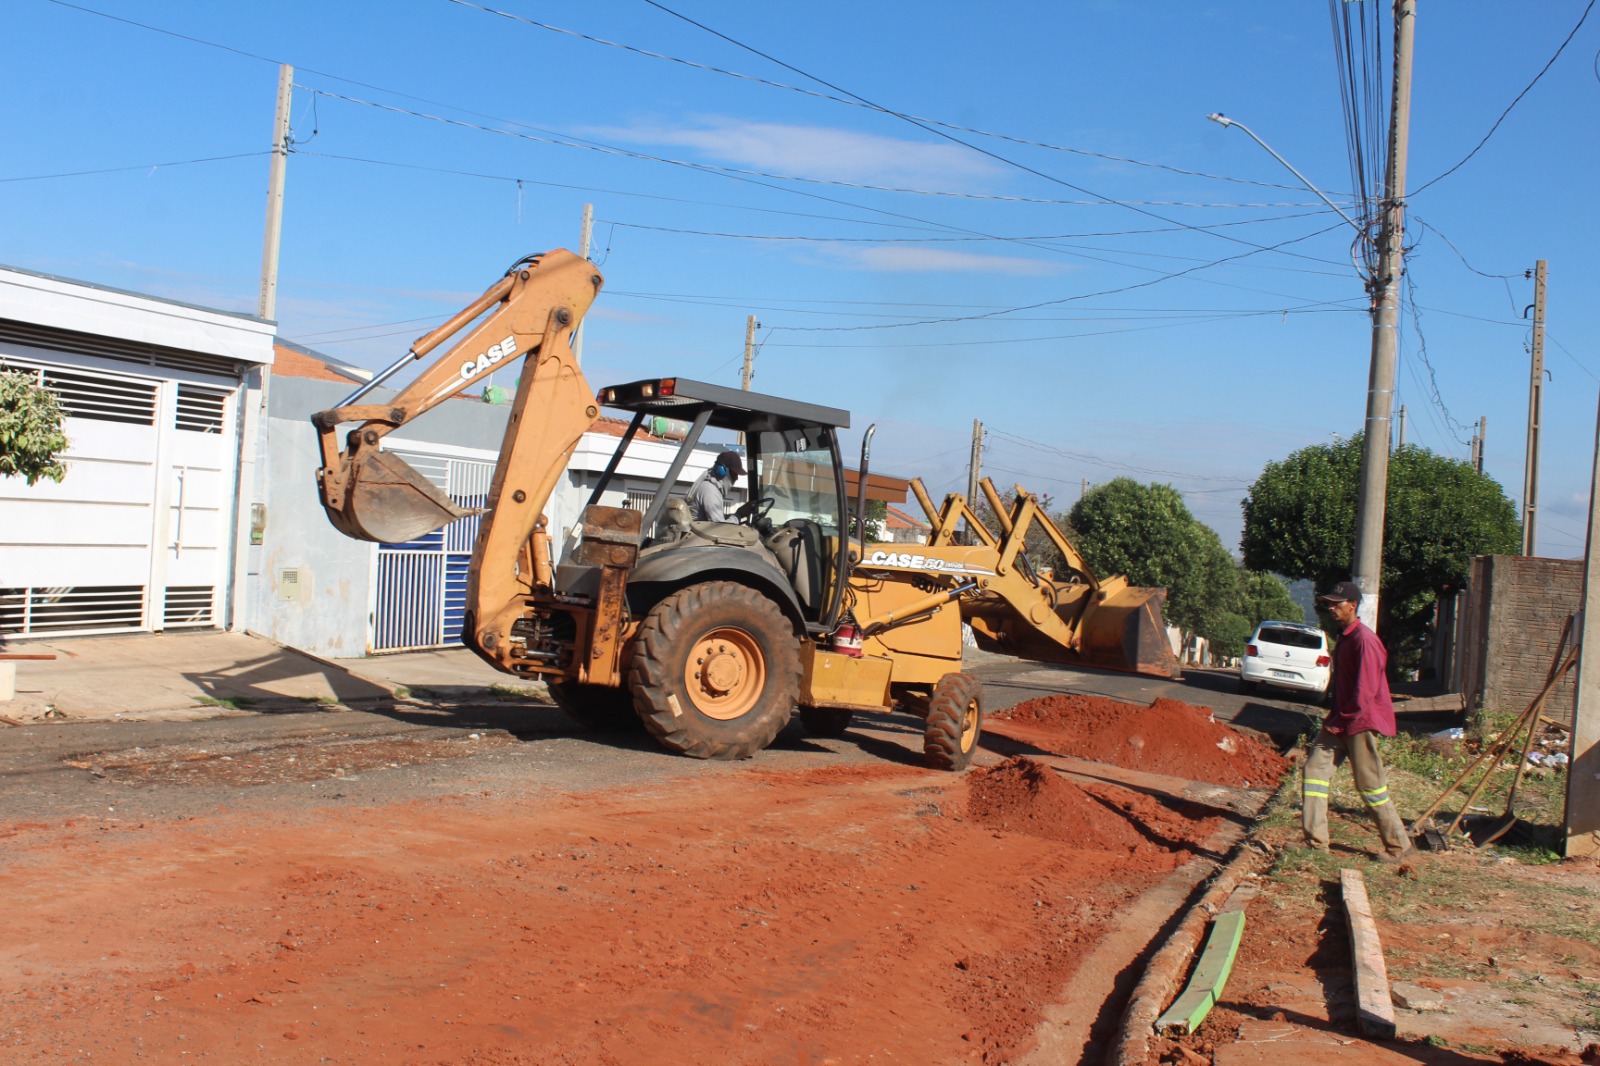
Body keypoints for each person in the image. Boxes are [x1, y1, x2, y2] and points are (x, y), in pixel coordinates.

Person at [1302, 581, 1414, 863]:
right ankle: (1316, 844)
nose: (1331, 608)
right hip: (1341, 719)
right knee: (1314, 772)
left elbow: (1365, 692)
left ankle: (1398, 847)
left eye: (1336, 604)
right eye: (1329, 604)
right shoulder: (1346, 637)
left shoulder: (1365, 640)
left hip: (1359, 721)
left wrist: (1343, 720)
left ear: (1352, 606)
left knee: (1371, 787)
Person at [687, 449, 744, 523]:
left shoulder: (705, 486)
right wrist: (738, 516)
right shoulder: (710, 492)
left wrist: (730, 516)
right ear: (722, 471)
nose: (736, 478)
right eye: (734, 474)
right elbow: (719, 528)